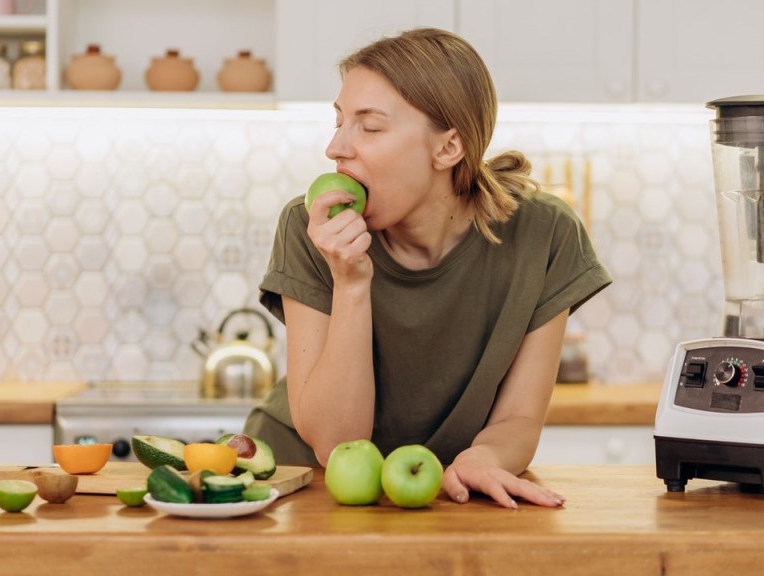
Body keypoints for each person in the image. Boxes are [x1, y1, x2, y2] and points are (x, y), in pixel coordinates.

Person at [244, 27, 610, 509]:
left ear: (448, 148)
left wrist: (485, 459)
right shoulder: (309, 227)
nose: (335, 147)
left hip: (445, 493)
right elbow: (335, 444)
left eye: (369, 127)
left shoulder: (544, 234)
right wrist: (351, 284)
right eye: (338, 121)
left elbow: (519, 418)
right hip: (304, 485)